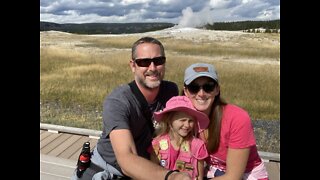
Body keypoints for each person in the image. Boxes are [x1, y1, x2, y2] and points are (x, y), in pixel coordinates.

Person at [71, 37, 191, 180]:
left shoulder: (170, 91)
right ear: (133, 65)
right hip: (108, 171)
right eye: (144, 62)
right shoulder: (118, 102)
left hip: (150, 168)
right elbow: (127, 159)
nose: (152, 68)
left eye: (158, 61)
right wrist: (171, 177)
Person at [182, 63, 269, 180]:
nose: (201, 93)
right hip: (213, 172)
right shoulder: (184, 118)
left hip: (245, 175)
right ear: (186, 91)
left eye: (208, 87)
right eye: (194, 87)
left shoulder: (237, 118)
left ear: (217, 89)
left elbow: (234, 176)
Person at [149, 96, 209, 180]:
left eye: (190, 121)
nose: (187, 125)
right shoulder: (156, 144)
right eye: (182, 120)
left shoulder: (197, 146)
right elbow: (152, 173)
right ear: (169, 120)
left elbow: (199, 176)